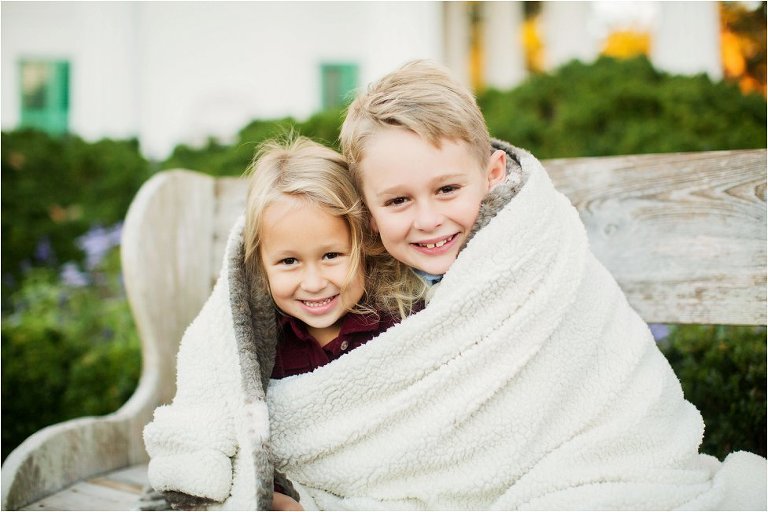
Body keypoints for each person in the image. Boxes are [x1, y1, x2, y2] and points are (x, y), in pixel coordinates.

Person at [261, 60, 766, 510]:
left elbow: (596, 373)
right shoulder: (356, 283)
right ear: (366, 209)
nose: (428, 220)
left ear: (492, 173)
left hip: (599, 461)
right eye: (398, 201)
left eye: (448, 189)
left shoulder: (532, 249)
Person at [143, 136, 423, 510]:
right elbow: (232, 427)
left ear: (364, 246)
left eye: (331, 255)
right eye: (289, 261)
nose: (313, 282)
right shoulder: (260, 343)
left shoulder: (399, 321)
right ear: (260, 265)